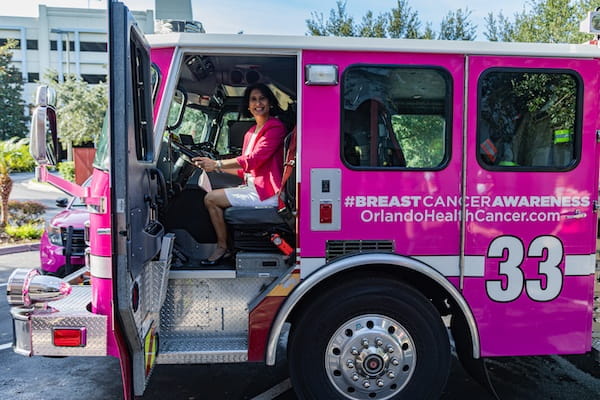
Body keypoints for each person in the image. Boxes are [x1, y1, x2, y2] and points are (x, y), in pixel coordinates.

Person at [192, 83, 286, 265]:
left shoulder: (275, 127)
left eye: (262, 98)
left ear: (270, 102)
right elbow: (246, 169)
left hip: (267, 193)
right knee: (214, 193)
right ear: (248, 105)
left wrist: (217, 163)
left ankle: (222, 247)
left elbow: (254, 159)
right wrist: (213, 168)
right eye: (253, 99)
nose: (258, 103)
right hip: (253, 187)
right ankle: (228, 246)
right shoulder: (250, 132)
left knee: (210, 199)